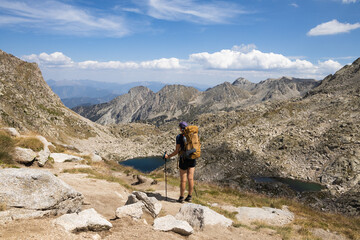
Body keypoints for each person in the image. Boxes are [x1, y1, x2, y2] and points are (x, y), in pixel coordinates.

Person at [165, 121, 196, 203]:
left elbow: (176, 151)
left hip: (183, 159)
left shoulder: (179, 137)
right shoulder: (192, 135)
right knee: (191, 178)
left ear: (180, 128)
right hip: (192, 158)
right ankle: (189, 196)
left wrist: (168, 156)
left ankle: (181, 197)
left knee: (183, 180)